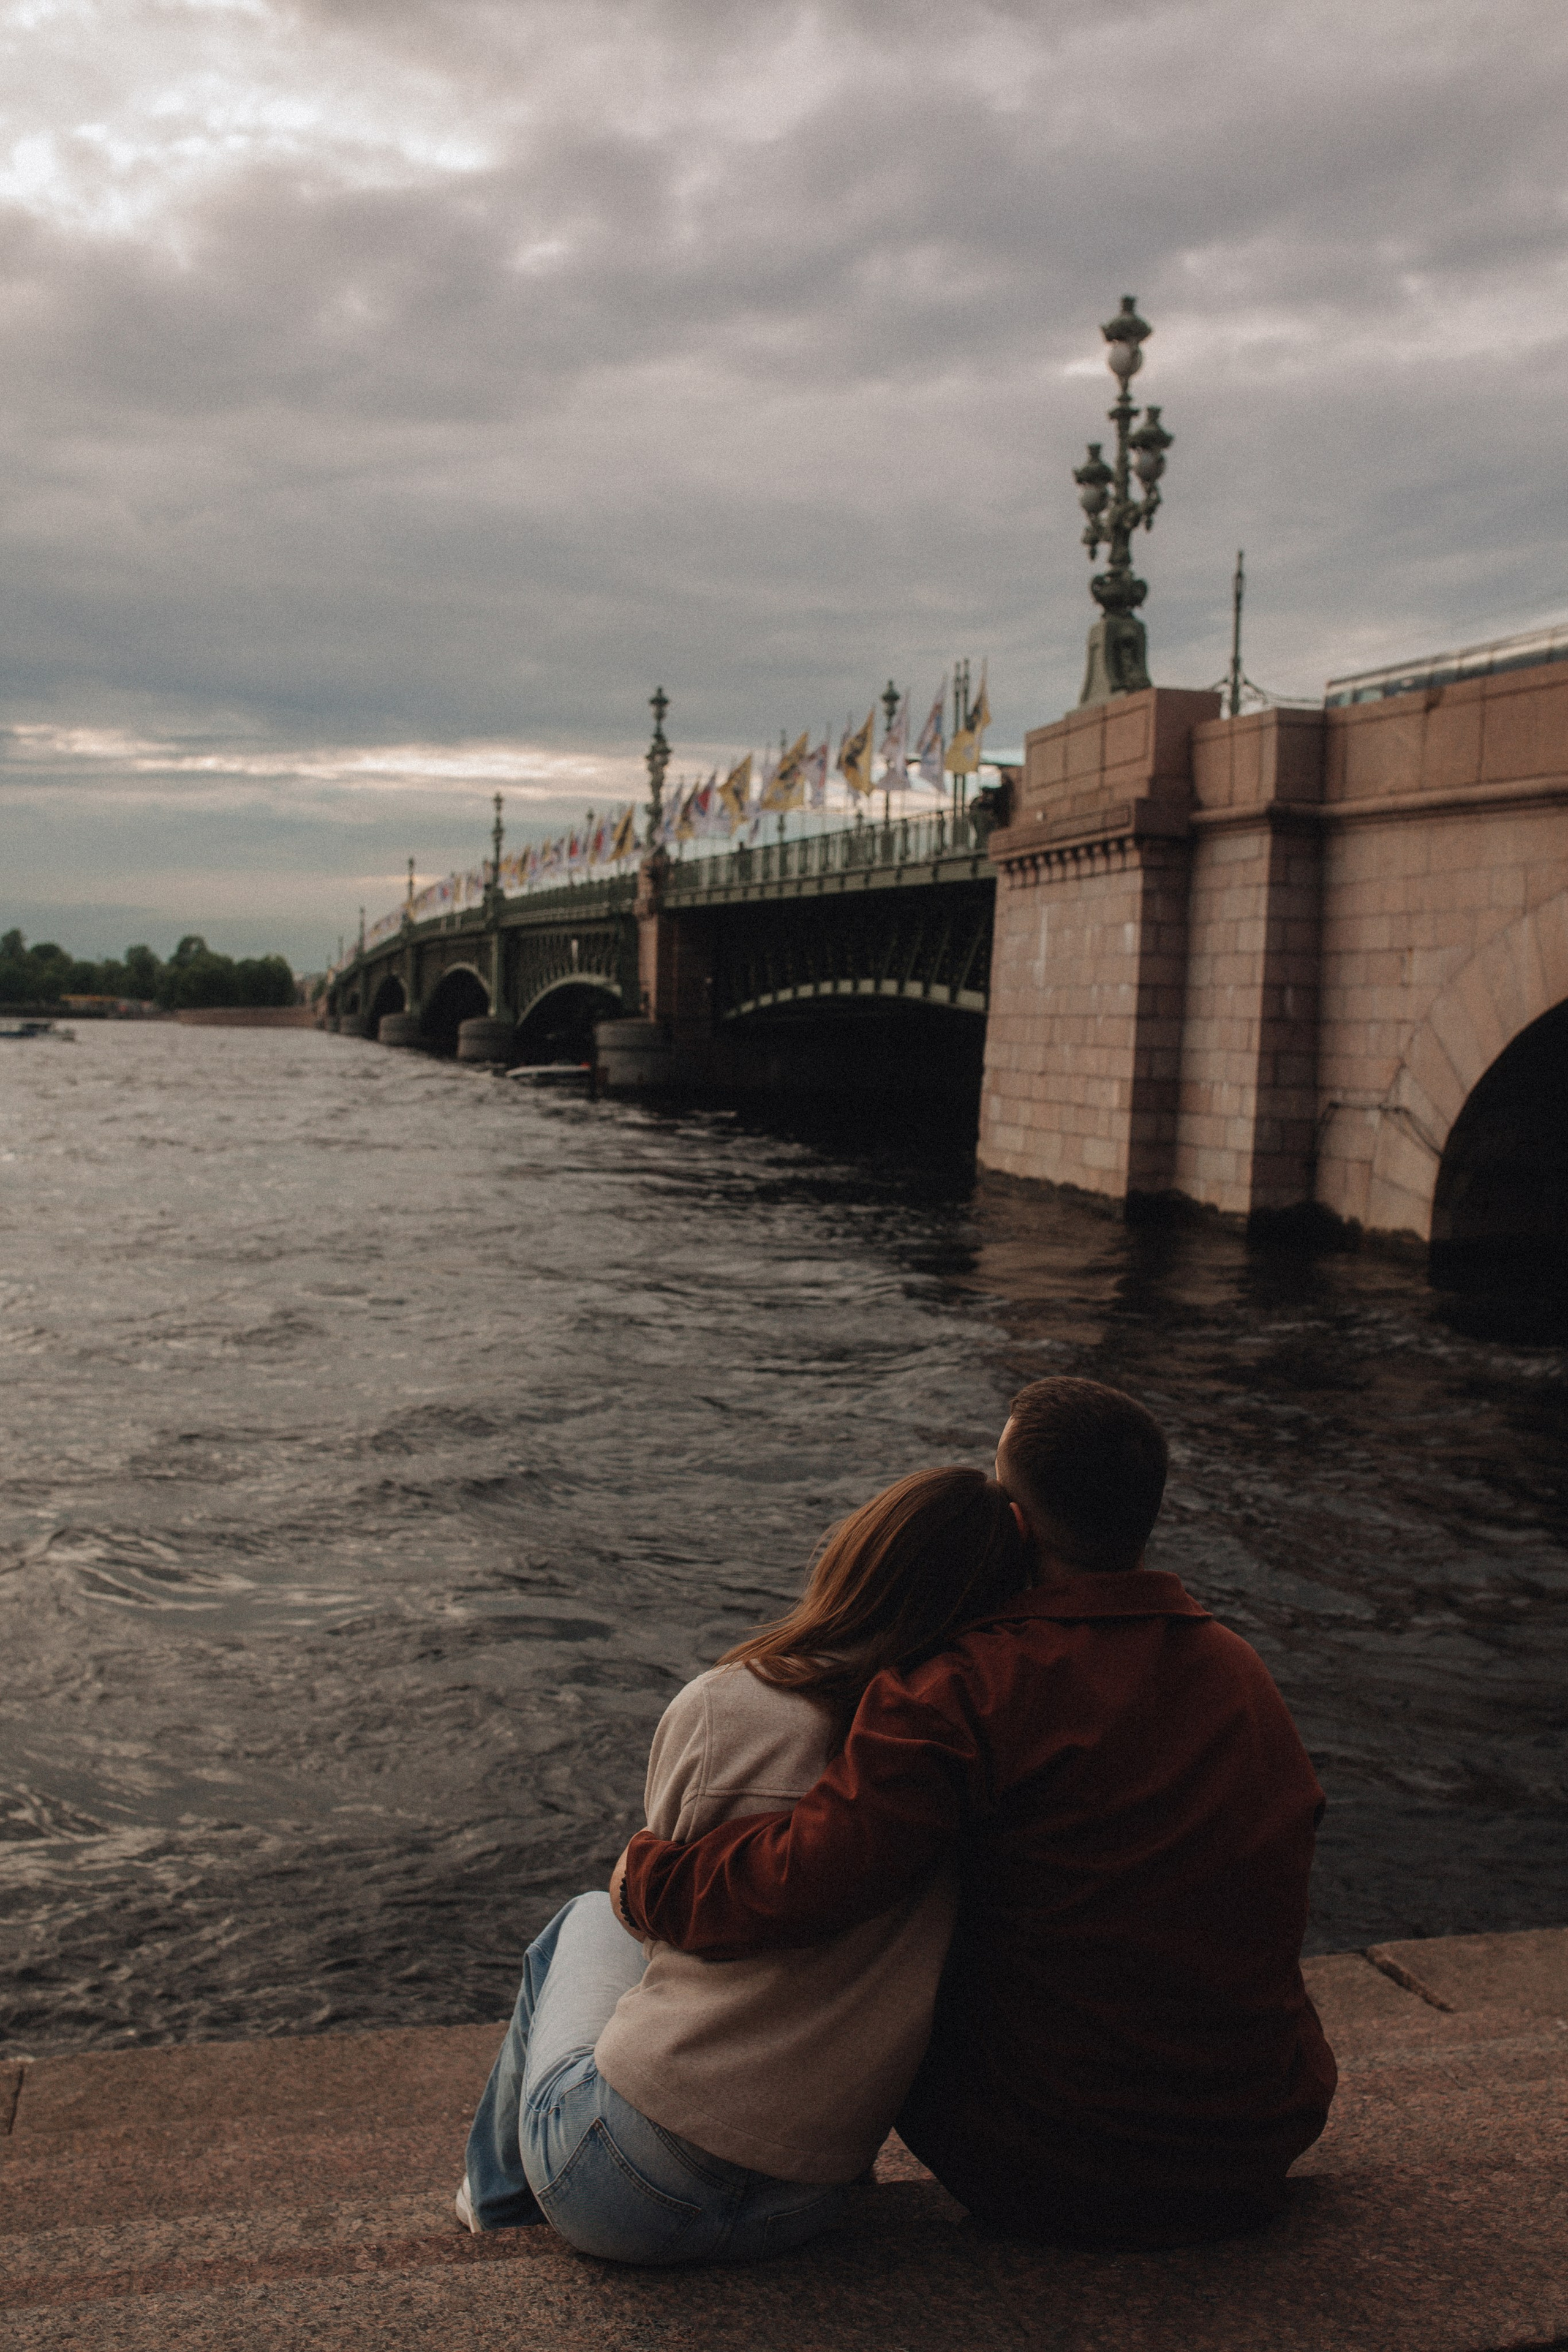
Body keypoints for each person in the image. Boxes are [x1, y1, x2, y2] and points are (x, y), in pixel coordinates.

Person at [616, 1376, 1338, 2250]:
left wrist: (650, 1877)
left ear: (1019, 1529)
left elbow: (804, 1882)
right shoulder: (1239, 1670)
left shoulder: (968, 1689)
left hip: (1050, 2166)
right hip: (1252, 2144)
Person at [459, 1465, 1032, 2265]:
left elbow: (655, 1930)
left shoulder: (732, 1703)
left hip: (622, 2188)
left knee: (588, 1916)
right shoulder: (983, 1748)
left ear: (858, 1556)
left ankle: (494, 2210)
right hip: (805, 2200)